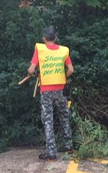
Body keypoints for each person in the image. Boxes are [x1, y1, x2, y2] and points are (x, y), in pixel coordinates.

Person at [27, 26, 74, 161]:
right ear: (56, 38)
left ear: (43, 39)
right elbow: (71, 69)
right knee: (64, 115)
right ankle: (68, 146)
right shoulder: (64, 51)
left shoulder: (40, 50)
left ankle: (51, 153)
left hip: (46, 91)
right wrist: (63, 77)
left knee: (48, 120)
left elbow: (31, 69)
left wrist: (33, 73)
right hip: (61, 89)